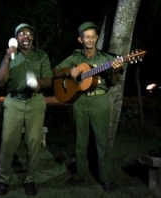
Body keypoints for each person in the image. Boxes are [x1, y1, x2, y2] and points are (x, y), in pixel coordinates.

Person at [52, 21, 124, 193]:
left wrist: (114, 71)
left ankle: (107, 178)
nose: (90, 39)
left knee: (102, 141)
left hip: (99, 101)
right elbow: (54, 72)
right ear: (80, 39)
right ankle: (80, 174)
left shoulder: (107, 58)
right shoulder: (75, 57)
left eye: (93, 36)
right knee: (80, 141)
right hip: (79, 101)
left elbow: (113, 84)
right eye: (87, 36)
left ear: (97, 38)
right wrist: (70, 71)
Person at [0, 23, 53, 196]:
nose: (25, 36)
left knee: (34, 142)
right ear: (16, 38)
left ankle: (29, 179)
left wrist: (38, 84)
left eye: (29, 33)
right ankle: (4, 179)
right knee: (7, 142)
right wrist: (7, 58)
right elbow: (0, 81)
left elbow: (49, 80)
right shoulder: (10, 56)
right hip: (14, 102)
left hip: (35, 102)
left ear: (33, 37)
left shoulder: (41, 56)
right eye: (21, 33)